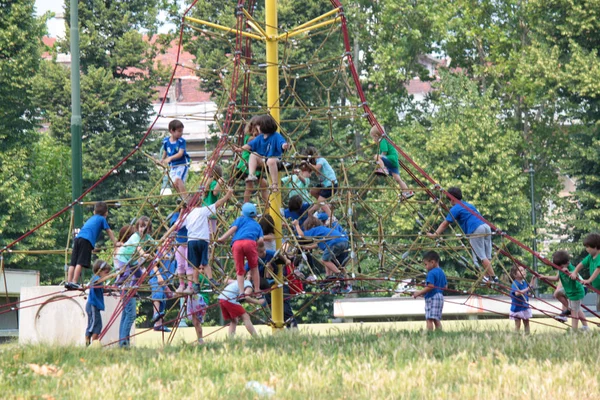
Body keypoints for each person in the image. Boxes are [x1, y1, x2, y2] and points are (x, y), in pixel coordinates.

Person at [162, 188, 234, 291]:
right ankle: (211, 279)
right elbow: (217, 204)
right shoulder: (202, 210)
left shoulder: (187, 215)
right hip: (202, 240)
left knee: (194, 265)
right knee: (204, 262)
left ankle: (196, 284)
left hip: (191, 242)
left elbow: (176, 226)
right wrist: (227, 195)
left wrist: (165, 235)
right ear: (200, 203)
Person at [427, 187, 498, 284]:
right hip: (486, 227)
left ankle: (494, 277)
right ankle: (488, 277)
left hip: (475, 229)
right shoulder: (469, 205)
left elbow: (445, 224)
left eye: (449, 200)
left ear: (452, 199)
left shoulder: (455, 208)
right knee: (487, 256)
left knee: (481, 256)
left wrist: (434, 235)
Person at [66, 201, 119, 290]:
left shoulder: (92, 218)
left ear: (94, 212)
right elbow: (109, 231)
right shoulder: (102, 219)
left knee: (73, 262)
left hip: (78, 238)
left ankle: (68, 281)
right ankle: (74, 282)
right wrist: (115, 242)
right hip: (86, 240)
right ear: (106, 213)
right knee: (80, 261)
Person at [218, 203, 264, 295]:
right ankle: (258, 290)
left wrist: (222, 238)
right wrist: (256, 244)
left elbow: (233, 229)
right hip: (250, 243)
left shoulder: (239, 220)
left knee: (240, 270)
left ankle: (241, 292)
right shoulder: (257, 225)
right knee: (254, 268)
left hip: (237, 244)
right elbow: (261, 241)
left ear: (242, 213)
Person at [540, 250, 590, 332]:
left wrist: (570, 273)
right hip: (568, 291)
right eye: (558, 266)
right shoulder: (560, 269)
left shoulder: (572, 268)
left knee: (575, 313)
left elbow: (575, 274)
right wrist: (544, 277)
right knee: (557, 294)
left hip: (576, 293)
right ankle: (569, 309)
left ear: (567, 262)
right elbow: (556, 279)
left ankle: (574, 330)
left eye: (561, 266)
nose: (560, 268)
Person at [240, 114, 289, 191]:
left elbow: (281, 143)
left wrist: (284, 145)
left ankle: (274, 184)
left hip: (275, 159)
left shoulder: (276, 135)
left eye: (258, 126)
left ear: (264, 126)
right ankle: (251, 175)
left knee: (271, 160)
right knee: (253, 155)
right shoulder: (260, 137)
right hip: (263, 159)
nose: (257, 128)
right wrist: (240, 149)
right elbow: (249, 145)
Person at [369, 125, 413, 199]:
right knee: (397, 178)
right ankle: (407, 192)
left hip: (391, 158)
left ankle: (383, 169)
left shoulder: (382, 140)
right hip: (394, 161)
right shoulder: (386, 139)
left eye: (373, 137)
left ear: (376, 136)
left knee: (376, 156)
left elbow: (384, 152)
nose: (373, 140)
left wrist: (379, 160)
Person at [234, 117, 269, 203]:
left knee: (263, 184)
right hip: (246, 165)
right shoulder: (250, 138)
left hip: (254, 165)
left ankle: (267, 206)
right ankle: (246, 206)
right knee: (250, 186)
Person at [411, 251, 447, 331]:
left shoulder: (431, 273)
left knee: (429, 318)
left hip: (432, 297)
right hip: (440, 297)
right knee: (436, 319)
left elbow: (430, 286)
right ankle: (439, 333)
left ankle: (429, 333)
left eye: (426, 264)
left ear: (432, 262)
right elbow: (445, 287)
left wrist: (419, 293)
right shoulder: (441, 272)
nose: (425, 267)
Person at [304, 146, 337, 219]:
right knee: (312, 191)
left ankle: (332, 217)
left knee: (320, 202)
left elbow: (317, 168)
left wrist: (308, 163)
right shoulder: (315, 164)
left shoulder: (321, 160)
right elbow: (309, 173)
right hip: (324, 184)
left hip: (331, 184)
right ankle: (324, 204)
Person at [85, 260, 112, 346]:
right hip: (93, 305)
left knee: (97, 325)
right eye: (106, 272)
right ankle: (92, 343)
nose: (107, 274)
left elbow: (100, 289)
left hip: (95, 307)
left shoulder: (99, 280)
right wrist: (110, 276)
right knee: (94, 326)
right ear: (99, 271)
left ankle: (92, 343)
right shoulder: (96, 279)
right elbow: (96, 284)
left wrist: (110, 290)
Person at [571, 233, 600, 311]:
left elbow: (598, 270)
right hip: (598, 288)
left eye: (588, 247)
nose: (586, 249)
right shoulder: (590, 257)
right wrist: (574, 272)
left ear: (596, 246)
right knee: (598, 305)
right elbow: (581, 264)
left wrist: (589, 280)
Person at [161, 119, 191, 196]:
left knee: (178, 180)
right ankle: (182, 197)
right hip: (173, 166)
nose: (181, 133)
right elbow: (165, 150)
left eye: (181, 131)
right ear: (172, 131)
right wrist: (162, 159)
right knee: (174, 184)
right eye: (179, 131)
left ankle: (185, 198)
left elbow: (180, 153)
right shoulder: (166, 141)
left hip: (182, 165)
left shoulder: (181, 141)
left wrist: (170, 158)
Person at [509, 265, 536, 334]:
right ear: (515, 274)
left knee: (527, 322)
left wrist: (533, 279)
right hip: (517, 308)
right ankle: (516, 336)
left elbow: (530, 287)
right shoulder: (515, 283)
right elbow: (517, 293)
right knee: (518, 324)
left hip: (524, 306)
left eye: (523, 270)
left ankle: (528, 335)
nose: (523, 272)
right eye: (520, 270)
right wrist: (527, 289)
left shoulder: (524, 283)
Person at [187, 266, 210, 345]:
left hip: (200, 300)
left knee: (196, 322)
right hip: (198, 300)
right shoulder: (206, 277)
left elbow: (192, 286)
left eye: (203, 269)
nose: (201, 270)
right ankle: (200, 340)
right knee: (196, 323)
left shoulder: (200, 277)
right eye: (199, 269)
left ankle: (200, 340)